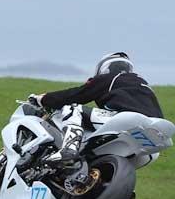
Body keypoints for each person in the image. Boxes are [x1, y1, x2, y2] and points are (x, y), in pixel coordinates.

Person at [28, 52, 164, 164]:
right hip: (153, 138)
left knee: (73, 109)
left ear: (105, 68)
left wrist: (43, 99)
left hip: (128, 120)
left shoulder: (110, 78)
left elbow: (77, 95)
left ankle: (69, 149)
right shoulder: (143, 84)